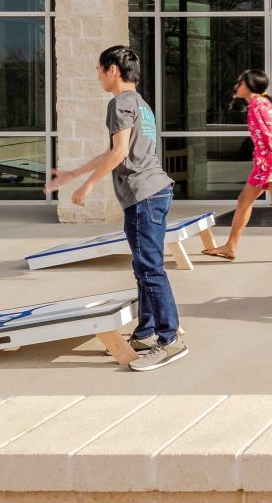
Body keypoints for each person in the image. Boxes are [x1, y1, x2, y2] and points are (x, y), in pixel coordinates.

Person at [44, 44, 186, 371]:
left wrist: (89, 184)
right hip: (155, 192)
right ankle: (147, 330)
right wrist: (72, 174)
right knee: (143, 266)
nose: (96, 75)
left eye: (98, 69)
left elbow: (119, 152)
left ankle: (170, 339)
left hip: (144, 195)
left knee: (150, 268)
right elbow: (112, 151)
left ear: (113, 70)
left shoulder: (118, 102)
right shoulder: (140, 104)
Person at [202, 70, 272, 266]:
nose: (237, 86)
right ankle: (230, 247)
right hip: (265, 164)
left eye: (240, 82)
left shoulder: (259, 106)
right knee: (244, 201)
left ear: (249, 86)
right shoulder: (258, 104)